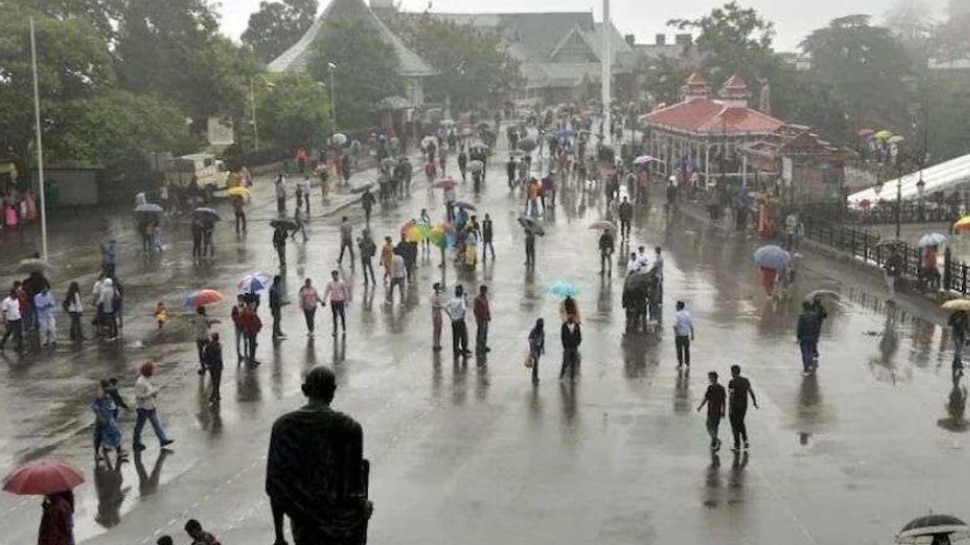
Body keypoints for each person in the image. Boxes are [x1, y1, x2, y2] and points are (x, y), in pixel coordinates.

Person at [266, 366, 372, 545]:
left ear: (304, 390)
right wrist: (364, 507)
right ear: (333, 392)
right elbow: (354, 490)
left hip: (304, 528)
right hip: (343, 529)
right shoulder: (350, 428)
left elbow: (275, 486)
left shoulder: (283, 427)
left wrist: (279, 536)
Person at [133, 362, 174, 452]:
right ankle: (136, 442)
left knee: (156, 423)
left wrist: (154, 392)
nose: (154, 371)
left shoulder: (147, 380)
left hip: (150, 406)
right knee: (139, 426)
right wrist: (151, 393)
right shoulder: (140, 382)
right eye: (153, 369)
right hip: (143, 408)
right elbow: (139, 396)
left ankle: (163, 440)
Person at [92, 379, 125, 462]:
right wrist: (100, 417)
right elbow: (95, 407)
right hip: (103, 418)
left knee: (114, 433)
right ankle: (98, 453)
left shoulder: (109, 393)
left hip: (108, 417)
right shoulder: (101, 395)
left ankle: (118, 451)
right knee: (101, 435)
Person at [727, 365, 758, 451]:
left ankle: (737, 444)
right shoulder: (746, 380)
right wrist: (754, 402)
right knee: (741, 422)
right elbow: (751, 391)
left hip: (735, 406)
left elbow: (731, 396)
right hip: (744, 406)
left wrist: (729, 408)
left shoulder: (732, 382)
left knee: (734, 426)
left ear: (733, 372)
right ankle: (745, 441)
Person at [696, 371, 726, 451]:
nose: (709, 379)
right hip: (719, 410)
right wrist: (724, 411)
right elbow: (723, 401)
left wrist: (700, 407)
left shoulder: (711, 388)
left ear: (713, 378)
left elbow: (706, 399)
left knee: (709, 426)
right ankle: (713, 442)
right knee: (715, 427)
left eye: (709, 377)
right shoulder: (722, 388)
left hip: (711, 410)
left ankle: (715, 440)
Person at [796, 301, 821, 376]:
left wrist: (798, 337)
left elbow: (800, 328)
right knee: (810, 351)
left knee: (805, 352)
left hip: (804, 337)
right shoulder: (814, 316)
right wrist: (817, 336)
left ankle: (806, 368)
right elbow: (817, 327)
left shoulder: (802, 316)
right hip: (812, 337)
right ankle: (810, 364)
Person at [445, 285, 470, 359]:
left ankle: (456, 350)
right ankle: (464, 350)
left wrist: (451, 316)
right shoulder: (461, 300)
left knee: (455, 337)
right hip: (460, 320)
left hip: (454, 321)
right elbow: (464, 308)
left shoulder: (452, 300)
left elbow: (445, 307)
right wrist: (462, 315)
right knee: (464, 336)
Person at [323, 270, 350, 337]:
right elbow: (326, 291)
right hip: (333, 301)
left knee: (342, 315)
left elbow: (345, 292)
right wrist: (324, 300)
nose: (334, 277)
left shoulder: (341, 282)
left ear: (337, 275)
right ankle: (335, 330)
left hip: (340, 301)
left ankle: (344, 330)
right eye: (333, 275)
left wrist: (346, 301)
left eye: (335, 275)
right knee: (334, 316)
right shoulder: (330, 283)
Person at [192, 307, 218, 375]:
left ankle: (202, 367)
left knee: (200, 353)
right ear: (203, 311)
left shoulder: (195, 318)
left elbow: (192, 323)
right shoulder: (205, 318)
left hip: (198, 338)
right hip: (205, 337)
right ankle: (211, 364)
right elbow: (209, 326)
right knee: (210, 350)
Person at [560, 313, 582, 381]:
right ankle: (561, 375)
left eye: (572, 318)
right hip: (567, 347)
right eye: (569, 317)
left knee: (573, 362)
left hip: (574, 346)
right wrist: (565, 345)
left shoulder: (576, 326)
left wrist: (578, 343)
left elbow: (579, 335)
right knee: (565, 362)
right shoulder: (564, 326)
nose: (571, 319)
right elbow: (562, 336)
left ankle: (572, 377)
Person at [0, 288, 23, 353]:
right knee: (8, 333)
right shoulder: (6, 301)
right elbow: (4, 311)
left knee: (19, 332)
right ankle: (2, 342)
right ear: (12, 294)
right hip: (11, 320)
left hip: (18, 318)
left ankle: (19, 346)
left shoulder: (17, 300)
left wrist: (20, 314)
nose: (17, 295)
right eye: (15, 294)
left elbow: (18, 308)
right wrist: (5, 320)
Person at [673, 301, 694, 370]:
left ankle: (680, 364)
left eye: (676, 305)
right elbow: (690, 325)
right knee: (686, 350)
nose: (675, 307)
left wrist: (676, 334)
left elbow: (675, 326)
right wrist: (692, 334)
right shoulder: (688, 314)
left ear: (679, 306)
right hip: (686, 335)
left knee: (679, 350)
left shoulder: (677, 315)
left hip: (679, 335)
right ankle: (688, 364)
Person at [203, 333, 224, 403]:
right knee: (217, 381)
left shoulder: (208, 346)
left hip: (211, 366)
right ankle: (214, 395)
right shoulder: (219, 346)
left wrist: (207, 364)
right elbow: (219, 357)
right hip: (217, 366)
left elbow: (204, 356)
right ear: (218, 338)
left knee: (213, 379)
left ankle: (217, 395)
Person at [950, 309, 969, 378]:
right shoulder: (954, 314)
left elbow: (967, 326)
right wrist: (955, 321)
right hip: (956, 334)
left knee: (959, 349)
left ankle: (955, 362)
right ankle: (959, 363)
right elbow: (949, 323)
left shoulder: (966, 316)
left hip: (962, 335)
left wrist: (968, 337)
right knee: (959, 348)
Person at [473, 285, 491, 354]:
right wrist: (477, 319)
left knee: (485, 333)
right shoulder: (477, 299)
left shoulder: (485, 298)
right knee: (481, 333)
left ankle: (484, 346)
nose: (485, 292)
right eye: (484, 290)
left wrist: (488, 315)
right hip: (481, 319)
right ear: (481, 290)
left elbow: (487, 307)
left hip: (485, 319)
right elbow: (475, 310)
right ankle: (479, 347)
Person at [528, 318, 545, 385]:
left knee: (536, 363)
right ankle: (534, 377)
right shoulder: (533, 331)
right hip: (534, 348)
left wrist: (543, 348)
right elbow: (530, 339)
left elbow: (543, 340)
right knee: (536, 362)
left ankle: (535, 376)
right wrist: (532, 348)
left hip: (538, 349)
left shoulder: (542, 331)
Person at [431, 283, 445, 351]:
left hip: (439, 314)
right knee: (436, 330)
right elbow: (433, 305)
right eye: (438, 287)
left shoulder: (440, 296)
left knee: (439, 329)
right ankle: (435, 344)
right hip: (435, 315)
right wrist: (440, 306)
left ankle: (438, 343)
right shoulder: (433, 297)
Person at [270, 275, 285, 340]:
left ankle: (278, 332)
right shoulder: (273, 289)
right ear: (277, 281)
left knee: (278, 319)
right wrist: (280, 303)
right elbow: (273, 300)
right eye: (279, 281)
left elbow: (279, 296)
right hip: (275, 307)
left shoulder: (277, 287)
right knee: (276, 320)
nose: (280, 282)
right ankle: (274, 334)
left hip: (278, 306)